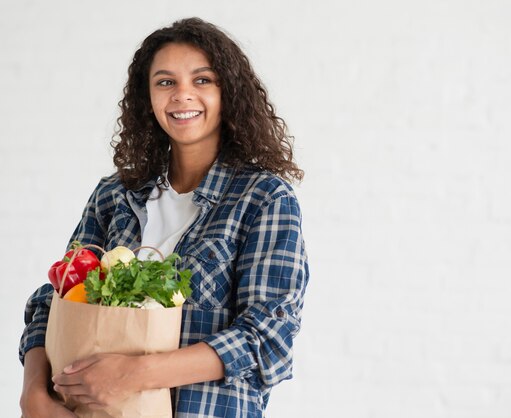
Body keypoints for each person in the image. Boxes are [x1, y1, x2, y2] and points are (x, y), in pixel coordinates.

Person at [19, 17, 309, 418]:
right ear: (148, 97)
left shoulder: (263, 199)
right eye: (166, 82)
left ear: (230, 93)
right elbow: (53, 300)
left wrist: (134, 374)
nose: (182, 95)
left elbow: (267, 336)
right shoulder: (115, 195)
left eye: (202, 80)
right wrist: (32, 394)